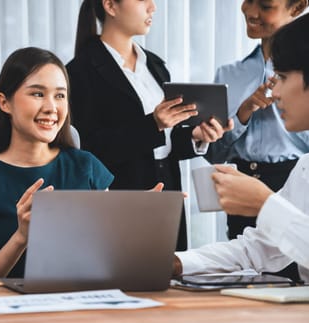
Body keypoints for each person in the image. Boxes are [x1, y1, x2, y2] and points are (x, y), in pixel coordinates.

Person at [66, 0, 233, 251]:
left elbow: (163, 143)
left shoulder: (155, 66)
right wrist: (152, 124)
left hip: (168, 185)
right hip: (122, 194)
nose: (152, 7)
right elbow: (88, 150)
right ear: (110, 5)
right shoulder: (79, 72)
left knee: (169, 276)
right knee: (127, 276)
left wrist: (195, 137)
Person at [0, 47, 114, 281]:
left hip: (82, 306)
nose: (51, 107)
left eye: (60, 95)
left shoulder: (86, 167)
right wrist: (21, 238)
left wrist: (131, 222)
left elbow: (108, 259)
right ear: (5, 103)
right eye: (38, 94)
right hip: (9, 311)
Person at [173, 13, 309, 283]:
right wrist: (176, 263)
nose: (275, 92)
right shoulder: (306, 167)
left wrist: (265, 203)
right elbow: (258, 250)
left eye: (281, 77)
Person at [207, 0, 309, 239]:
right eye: (248, 1)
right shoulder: (227, 74)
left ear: (296, 9)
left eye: (264, 6)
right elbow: (214, 153)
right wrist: (244, 112)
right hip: (241, 182)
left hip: (291, 181)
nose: (251, 11)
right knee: (245, 262)